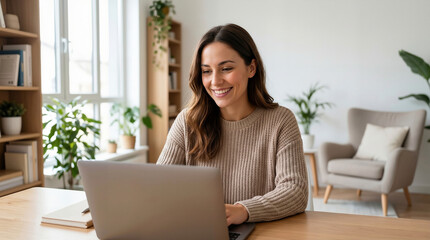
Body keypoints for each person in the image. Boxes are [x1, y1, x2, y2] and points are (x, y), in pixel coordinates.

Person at [157, 23, 308, 226]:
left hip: (260, 232)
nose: (215, 81)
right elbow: (158, 186)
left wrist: (244, 211)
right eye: (206, 71)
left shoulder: (281, 121)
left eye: (226, 69)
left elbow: (295, 191)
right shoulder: (187, 122)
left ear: (251, 68)